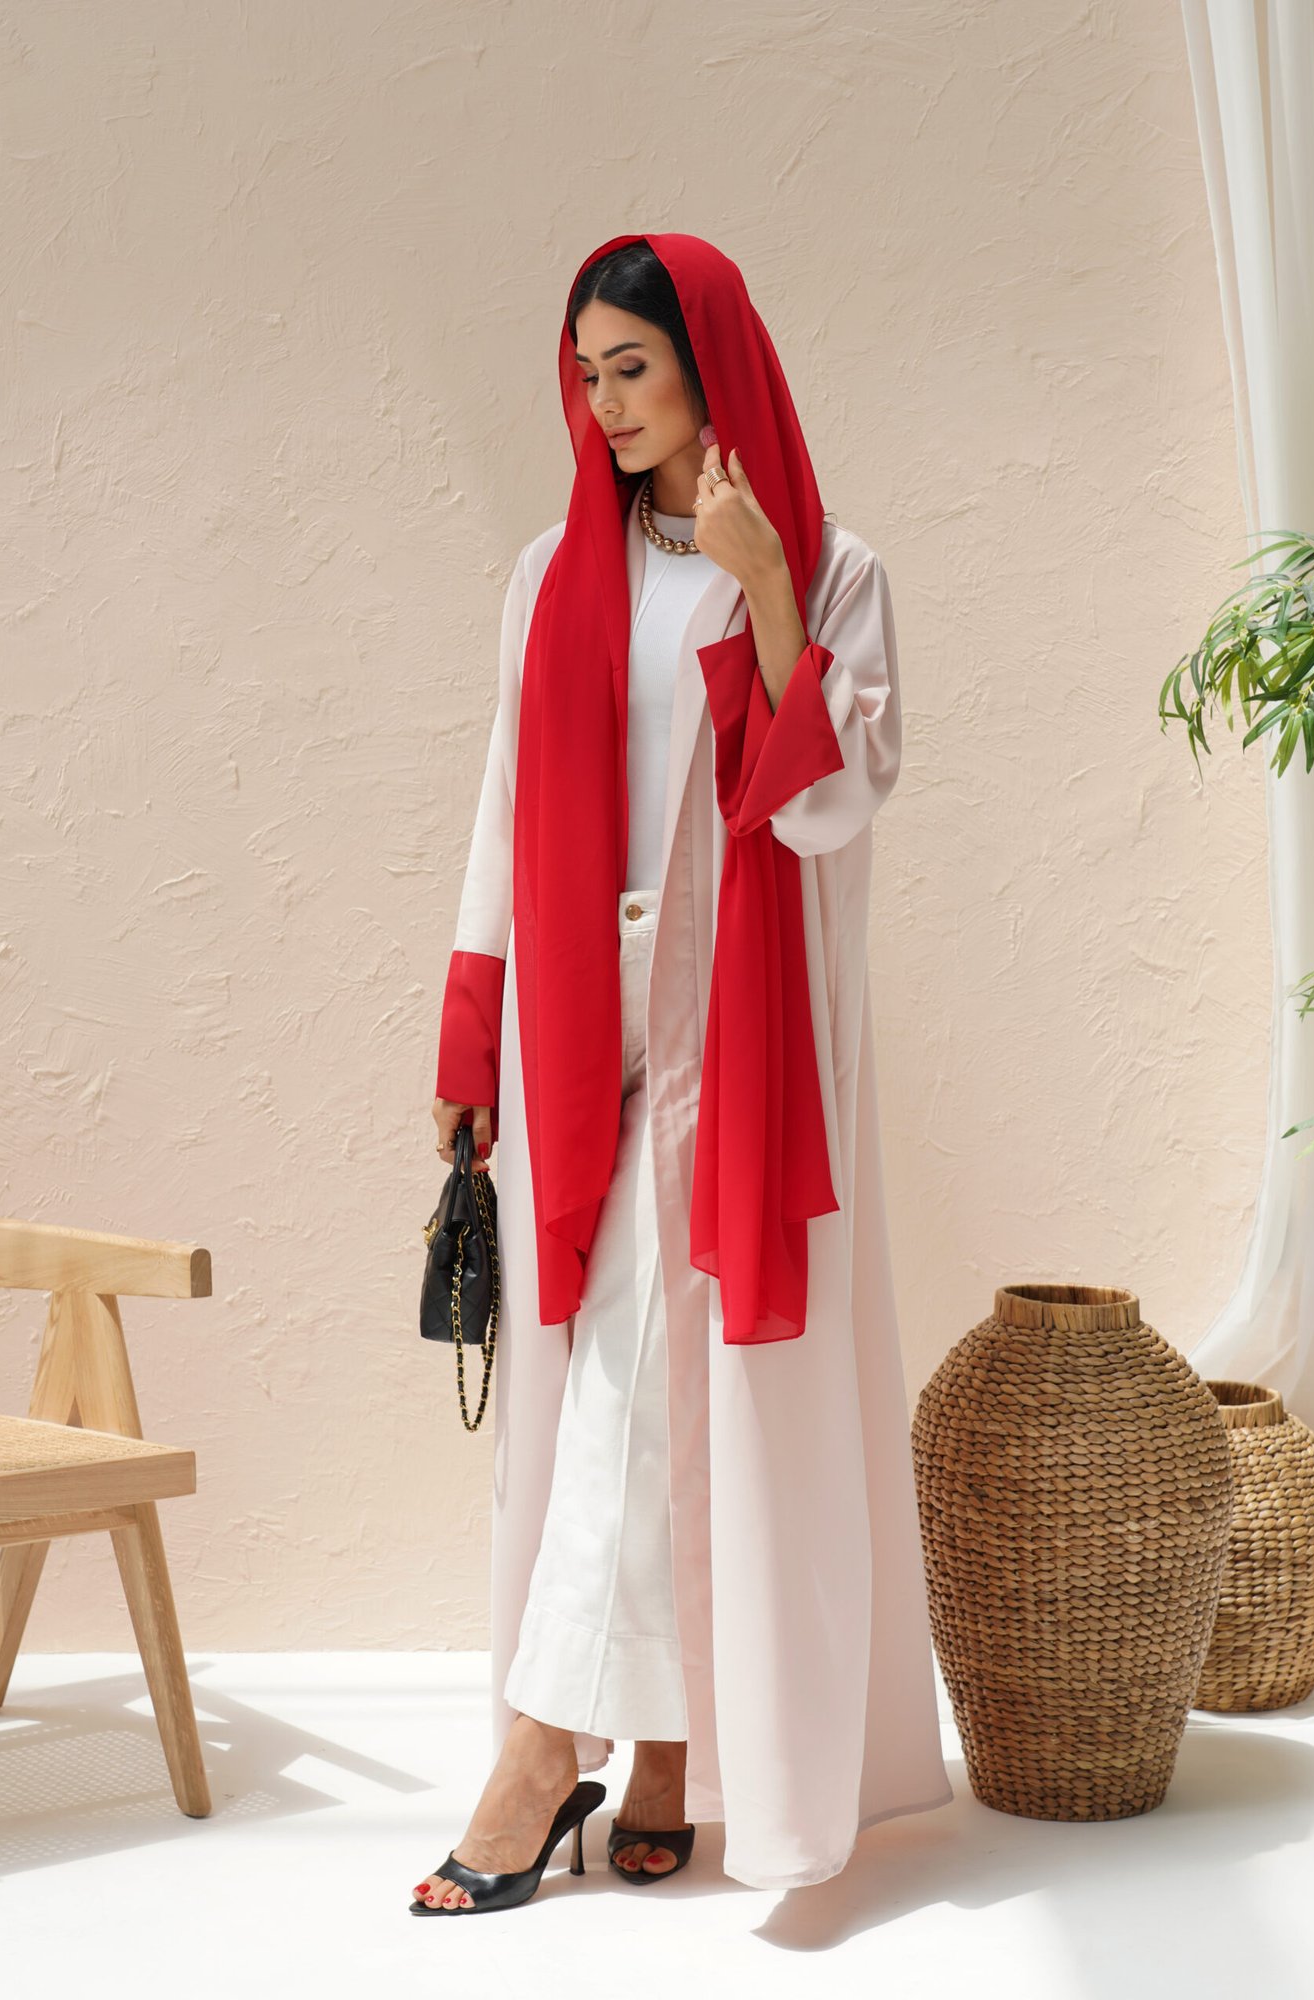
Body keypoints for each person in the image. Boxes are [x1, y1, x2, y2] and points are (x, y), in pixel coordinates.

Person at [414, 233, 952, 1915]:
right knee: (622, 1369)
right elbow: (506, 810)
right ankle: (654, 1750)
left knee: (648, 1365)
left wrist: (766, 587)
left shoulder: (830, 569)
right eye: (586, 374)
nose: (605, 402)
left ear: (712, 361)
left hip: (740, 1026)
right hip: (579, 1024)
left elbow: (830, 806)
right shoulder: (549, 574)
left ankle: (541, 1754)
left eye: (632, 367)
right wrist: (469, 1032)